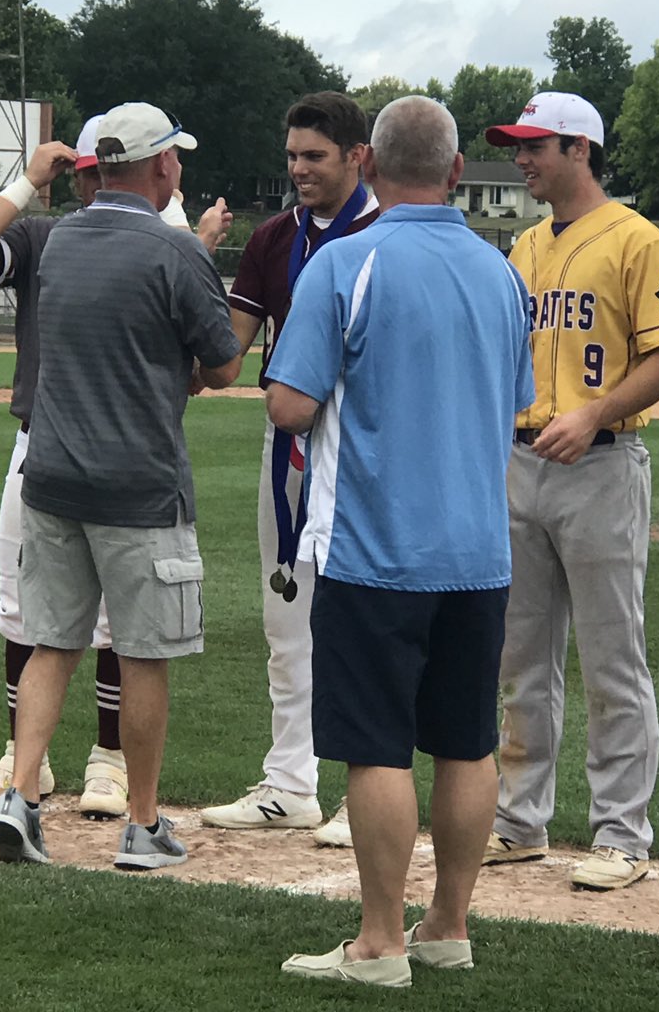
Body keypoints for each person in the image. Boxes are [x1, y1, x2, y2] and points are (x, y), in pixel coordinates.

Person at [266, 95, 534, 987]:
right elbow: (516, 397)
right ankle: (447, 925)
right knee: (466, 741)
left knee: (374, 743)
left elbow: (291, 404)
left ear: (370, 167)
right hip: (479, 550)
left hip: (375, 547)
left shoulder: (347, 261)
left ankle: (380, 940)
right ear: (457, 172)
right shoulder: (503, 275)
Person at [0, 116, 231, 820]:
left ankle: (77, 769)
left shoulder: (76, 239)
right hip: (97, 455)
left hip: (60, 457)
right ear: (159, 167)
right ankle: (51, 775)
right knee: (68, 624)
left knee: (70, 630)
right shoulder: (69, 235)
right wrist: (25, 183)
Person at [481, 92, 659, 890]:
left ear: (580, 150)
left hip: (602, 464)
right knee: (520, 659)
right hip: (521, 461)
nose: (522, 158)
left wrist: (596, 411)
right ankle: (520, 821)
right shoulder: (524, 246)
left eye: (535, 146)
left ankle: (621, 835)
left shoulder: (641, 241)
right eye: (518, 145)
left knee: (613, 660)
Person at [200, 91, 379, 846]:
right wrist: (186, 261)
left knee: (368, 622)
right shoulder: (275, 238)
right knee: (287, 620)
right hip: (289, 452)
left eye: (314, 156)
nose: (299, 170)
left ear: (357, 157)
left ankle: (367, 791)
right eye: (292, 157)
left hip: (369, 448)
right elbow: (226, 358)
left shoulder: (383, 235)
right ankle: (289, 784)